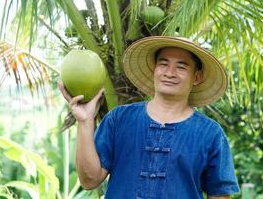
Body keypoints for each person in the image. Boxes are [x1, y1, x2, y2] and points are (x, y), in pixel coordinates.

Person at [58, 36, 240, 199]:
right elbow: (89, 180)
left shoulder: (211, 134)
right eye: (163, 64)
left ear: (197, 77)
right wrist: (84, 121)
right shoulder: (119, 119)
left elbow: (219, 195)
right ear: (154, 69)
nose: (169, 72)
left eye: (181, 66)